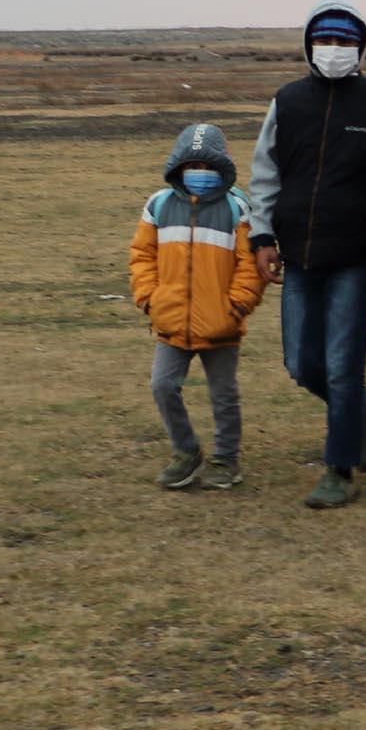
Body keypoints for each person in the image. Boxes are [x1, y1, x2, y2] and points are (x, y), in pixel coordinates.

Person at [247, 0, 366, 509]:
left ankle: (339, 469)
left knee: (341, 362)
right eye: (325, 40)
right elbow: (265, 173)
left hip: (355, 254)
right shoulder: (287, 102)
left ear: (361, 48)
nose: (333, 49)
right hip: (298, 254)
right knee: (300, 362)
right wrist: (262, 236)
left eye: (344, 41)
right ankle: (363, 408)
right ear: (309, 45)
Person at [129, 123, 264, 491]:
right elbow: (142, 255)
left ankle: (226, 459)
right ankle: (186, 452)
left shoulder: (237, 209)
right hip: (171, 322)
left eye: (208, 166)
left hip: (221, 324)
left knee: (223, 395)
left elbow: (250, 265)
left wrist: (237, 306)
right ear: (178, 166)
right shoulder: (158, 205)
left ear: (223, 167)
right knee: (162, 385)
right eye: (192, 165)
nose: (200, 173)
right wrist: (149, 298)